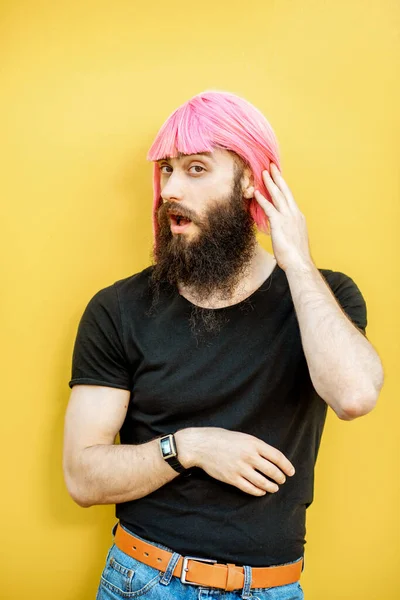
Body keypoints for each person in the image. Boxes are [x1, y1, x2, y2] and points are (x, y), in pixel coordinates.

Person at [63, 90, 384, 600]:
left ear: (252, 183)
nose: (170, 188)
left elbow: (355, 396)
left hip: (270, 589)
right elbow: (83, 478)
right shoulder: (117, 309)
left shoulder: (326, 298)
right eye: (167, 169)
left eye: (195, 169)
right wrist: (189, 447)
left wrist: (297, 261)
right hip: (142, 581)